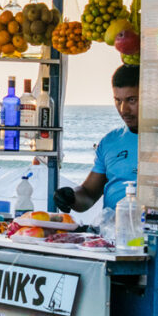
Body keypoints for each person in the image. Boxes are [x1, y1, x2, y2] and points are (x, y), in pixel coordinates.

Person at [54, 64, 139, 213]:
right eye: (118, 100)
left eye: (132, 100)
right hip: (114, 232)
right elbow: (88, 194)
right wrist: (72, 197)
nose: (123, 110)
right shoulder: (110, 141)